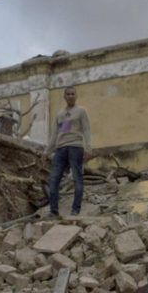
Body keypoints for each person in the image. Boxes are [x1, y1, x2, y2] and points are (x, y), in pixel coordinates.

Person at [45, 87, 93, 217]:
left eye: (73, 94)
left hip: (76, 147)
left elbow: (87, 130)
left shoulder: (81, 111)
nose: (71, 96)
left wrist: (88, 148)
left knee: (77, 179)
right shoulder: (60, 114)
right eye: (68, 94)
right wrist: (47, 151)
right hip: (60, 149)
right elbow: (55, 133)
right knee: (54, 180)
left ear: (76, 96)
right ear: (64, 96)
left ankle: (75, 210)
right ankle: (53, 211)